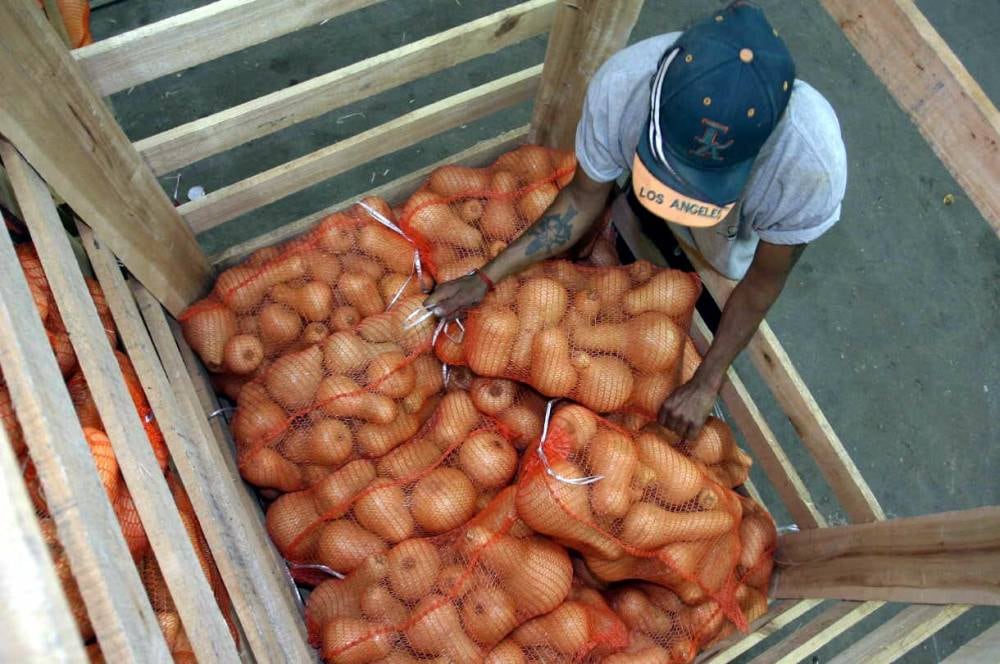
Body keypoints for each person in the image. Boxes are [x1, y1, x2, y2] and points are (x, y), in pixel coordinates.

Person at [424, 1, 847, 440]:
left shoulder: (807, 166)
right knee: (629, 228)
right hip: (635, 209)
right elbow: (582, 197)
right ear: (658, 97)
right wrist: (485, 278)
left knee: (705, 292)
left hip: (729, 242)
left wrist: (707, 379)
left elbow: (762, 283)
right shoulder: (624, 86)